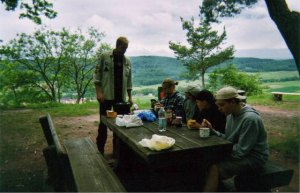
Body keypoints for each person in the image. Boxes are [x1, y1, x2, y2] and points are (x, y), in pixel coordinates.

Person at [202, 86, 269, 192]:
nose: (219, 109)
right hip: (239, 152)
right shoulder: (230, 115)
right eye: (218, 105)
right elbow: (228, 139)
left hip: (254, 157)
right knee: (204, 160)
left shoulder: (250, 119)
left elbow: (242, 151)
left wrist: (219, 154)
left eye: (222, 105)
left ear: (233, 102)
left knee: (214, 168)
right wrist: (212, 130)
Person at [94, 36, 133, 154]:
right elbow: (97, 75)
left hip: (120, 97)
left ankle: (117, 153)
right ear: (117, 45)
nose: (124, 50)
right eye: (123, 48)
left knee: (120, 124)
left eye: (126, 48)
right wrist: (99, 92)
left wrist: (130, 96)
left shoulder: (127, 61)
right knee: (103, 124)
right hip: (106, 96)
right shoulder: (104, 56)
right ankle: (99, 151)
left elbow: (129, 79)